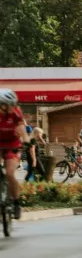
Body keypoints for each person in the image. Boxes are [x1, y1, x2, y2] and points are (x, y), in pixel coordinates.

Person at [0, 89, 28, 219]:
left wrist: (27, 141)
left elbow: (22, 128)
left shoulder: (16, 113)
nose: (11, 107)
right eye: (8, 105)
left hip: (13, 145)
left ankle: (16, 203)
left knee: (10, 173)